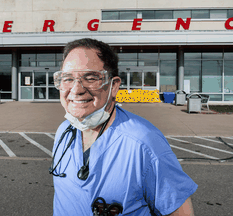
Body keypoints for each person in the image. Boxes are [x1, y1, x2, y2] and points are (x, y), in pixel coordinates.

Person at [50, 38, 198, 216]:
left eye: (90, 78)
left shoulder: (144, 142)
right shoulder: (63, 132)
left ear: (113, 86)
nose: (76, 90)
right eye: (67, 78)